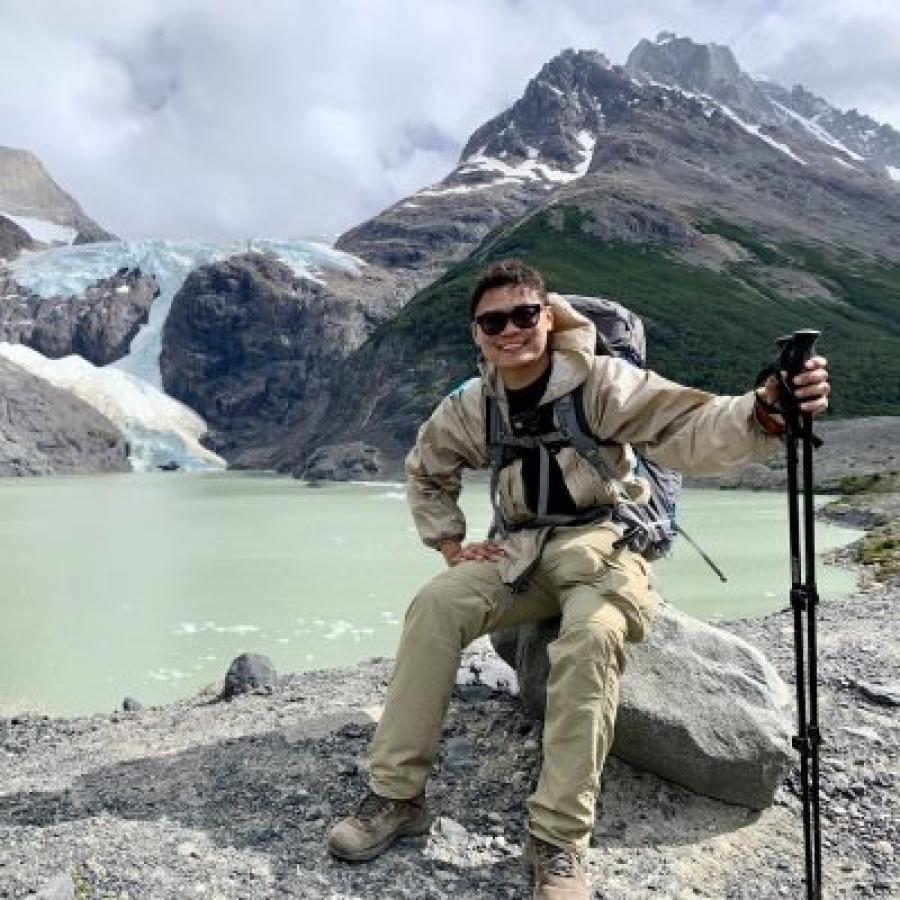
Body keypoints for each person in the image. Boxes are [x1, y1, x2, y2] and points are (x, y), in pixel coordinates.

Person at [326, 259, 830, 899]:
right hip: (520, 548)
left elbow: (686, 426)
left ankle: (559, 841)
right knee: (434, 607)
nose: (511, 329)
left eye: (524, 314)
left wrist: (763, 411)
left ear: (548, 315)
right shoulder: (474, 404)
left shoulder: (601, 383)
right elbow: (427, 467)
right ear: (477, 333)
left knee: (592, 637)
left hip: (602, 538)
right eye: (493, 320)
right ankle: (395, 798)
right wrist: (451, 543)